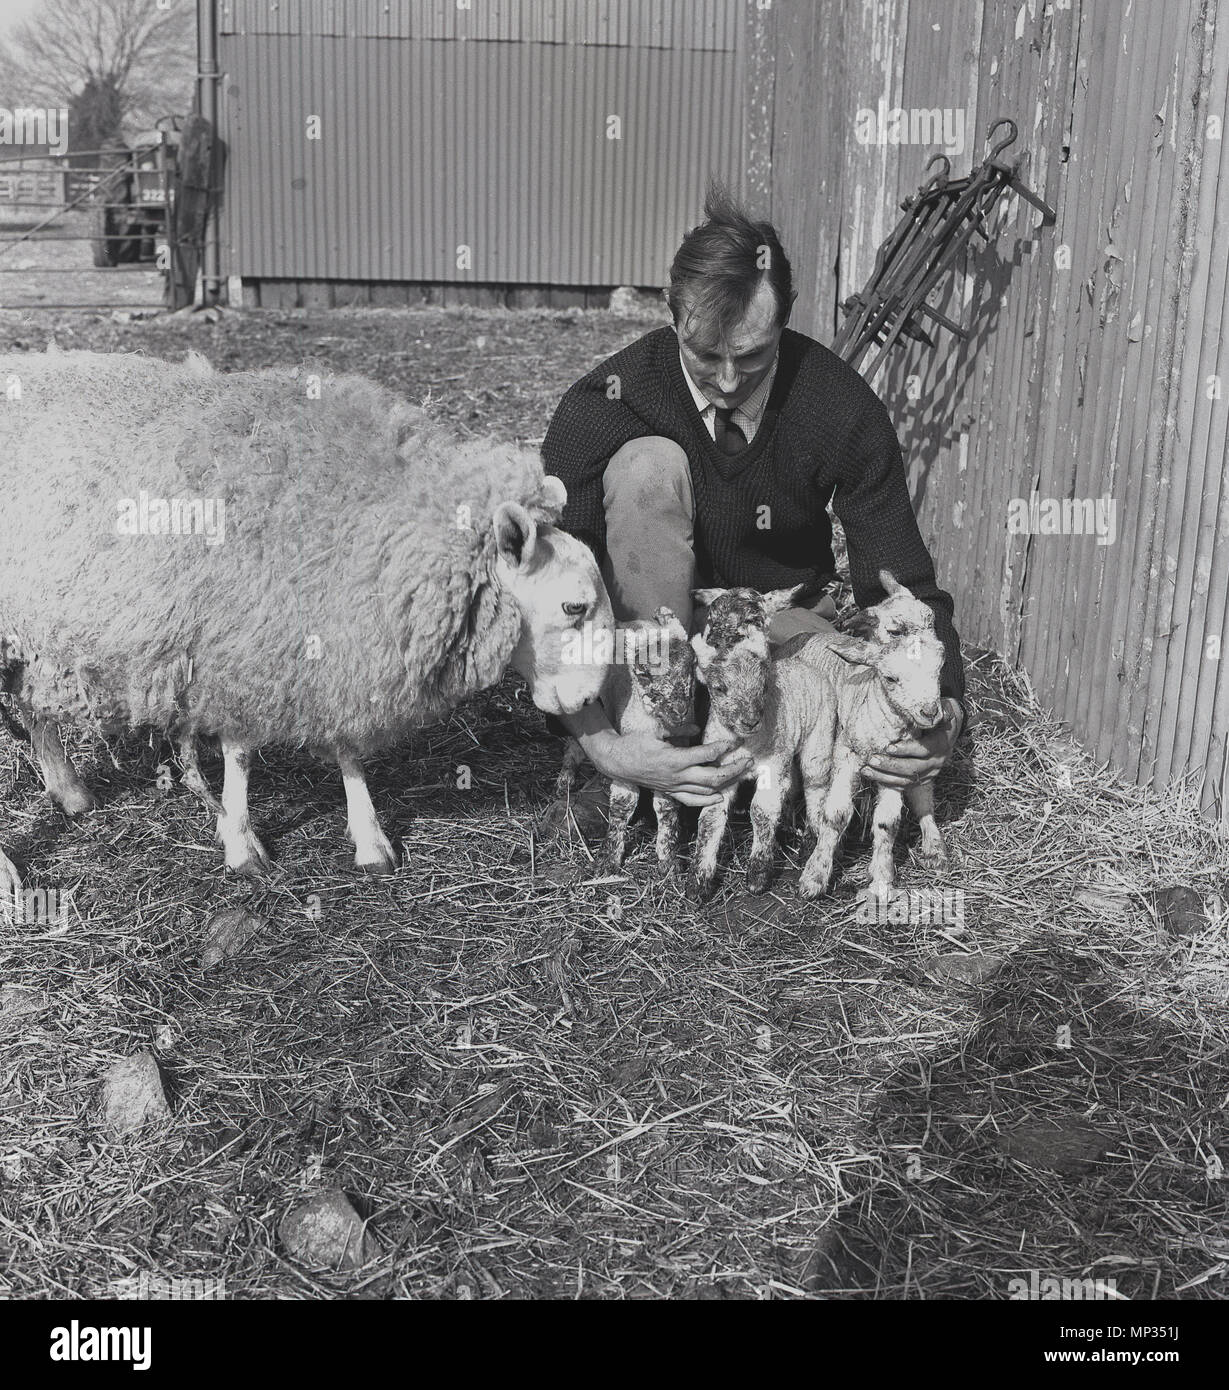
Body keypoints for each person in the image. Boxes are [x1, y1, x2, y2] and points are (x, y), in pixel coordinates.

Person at [541, 184, 965, 808]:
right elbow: (558, 604)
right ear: (670, 311)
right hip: (652, 639)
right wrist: (604, 745)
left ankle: (751, 759)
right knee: (647, 466)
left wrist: (944, 713)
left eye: (753, 354)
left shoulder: (839, 408)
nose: (728, 381)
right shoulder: (601, 405)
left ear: (787, 311)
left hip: (781, 628)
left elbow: (902, 585)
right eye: (704, 355)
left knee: (842, 722)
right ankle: (661, 723)